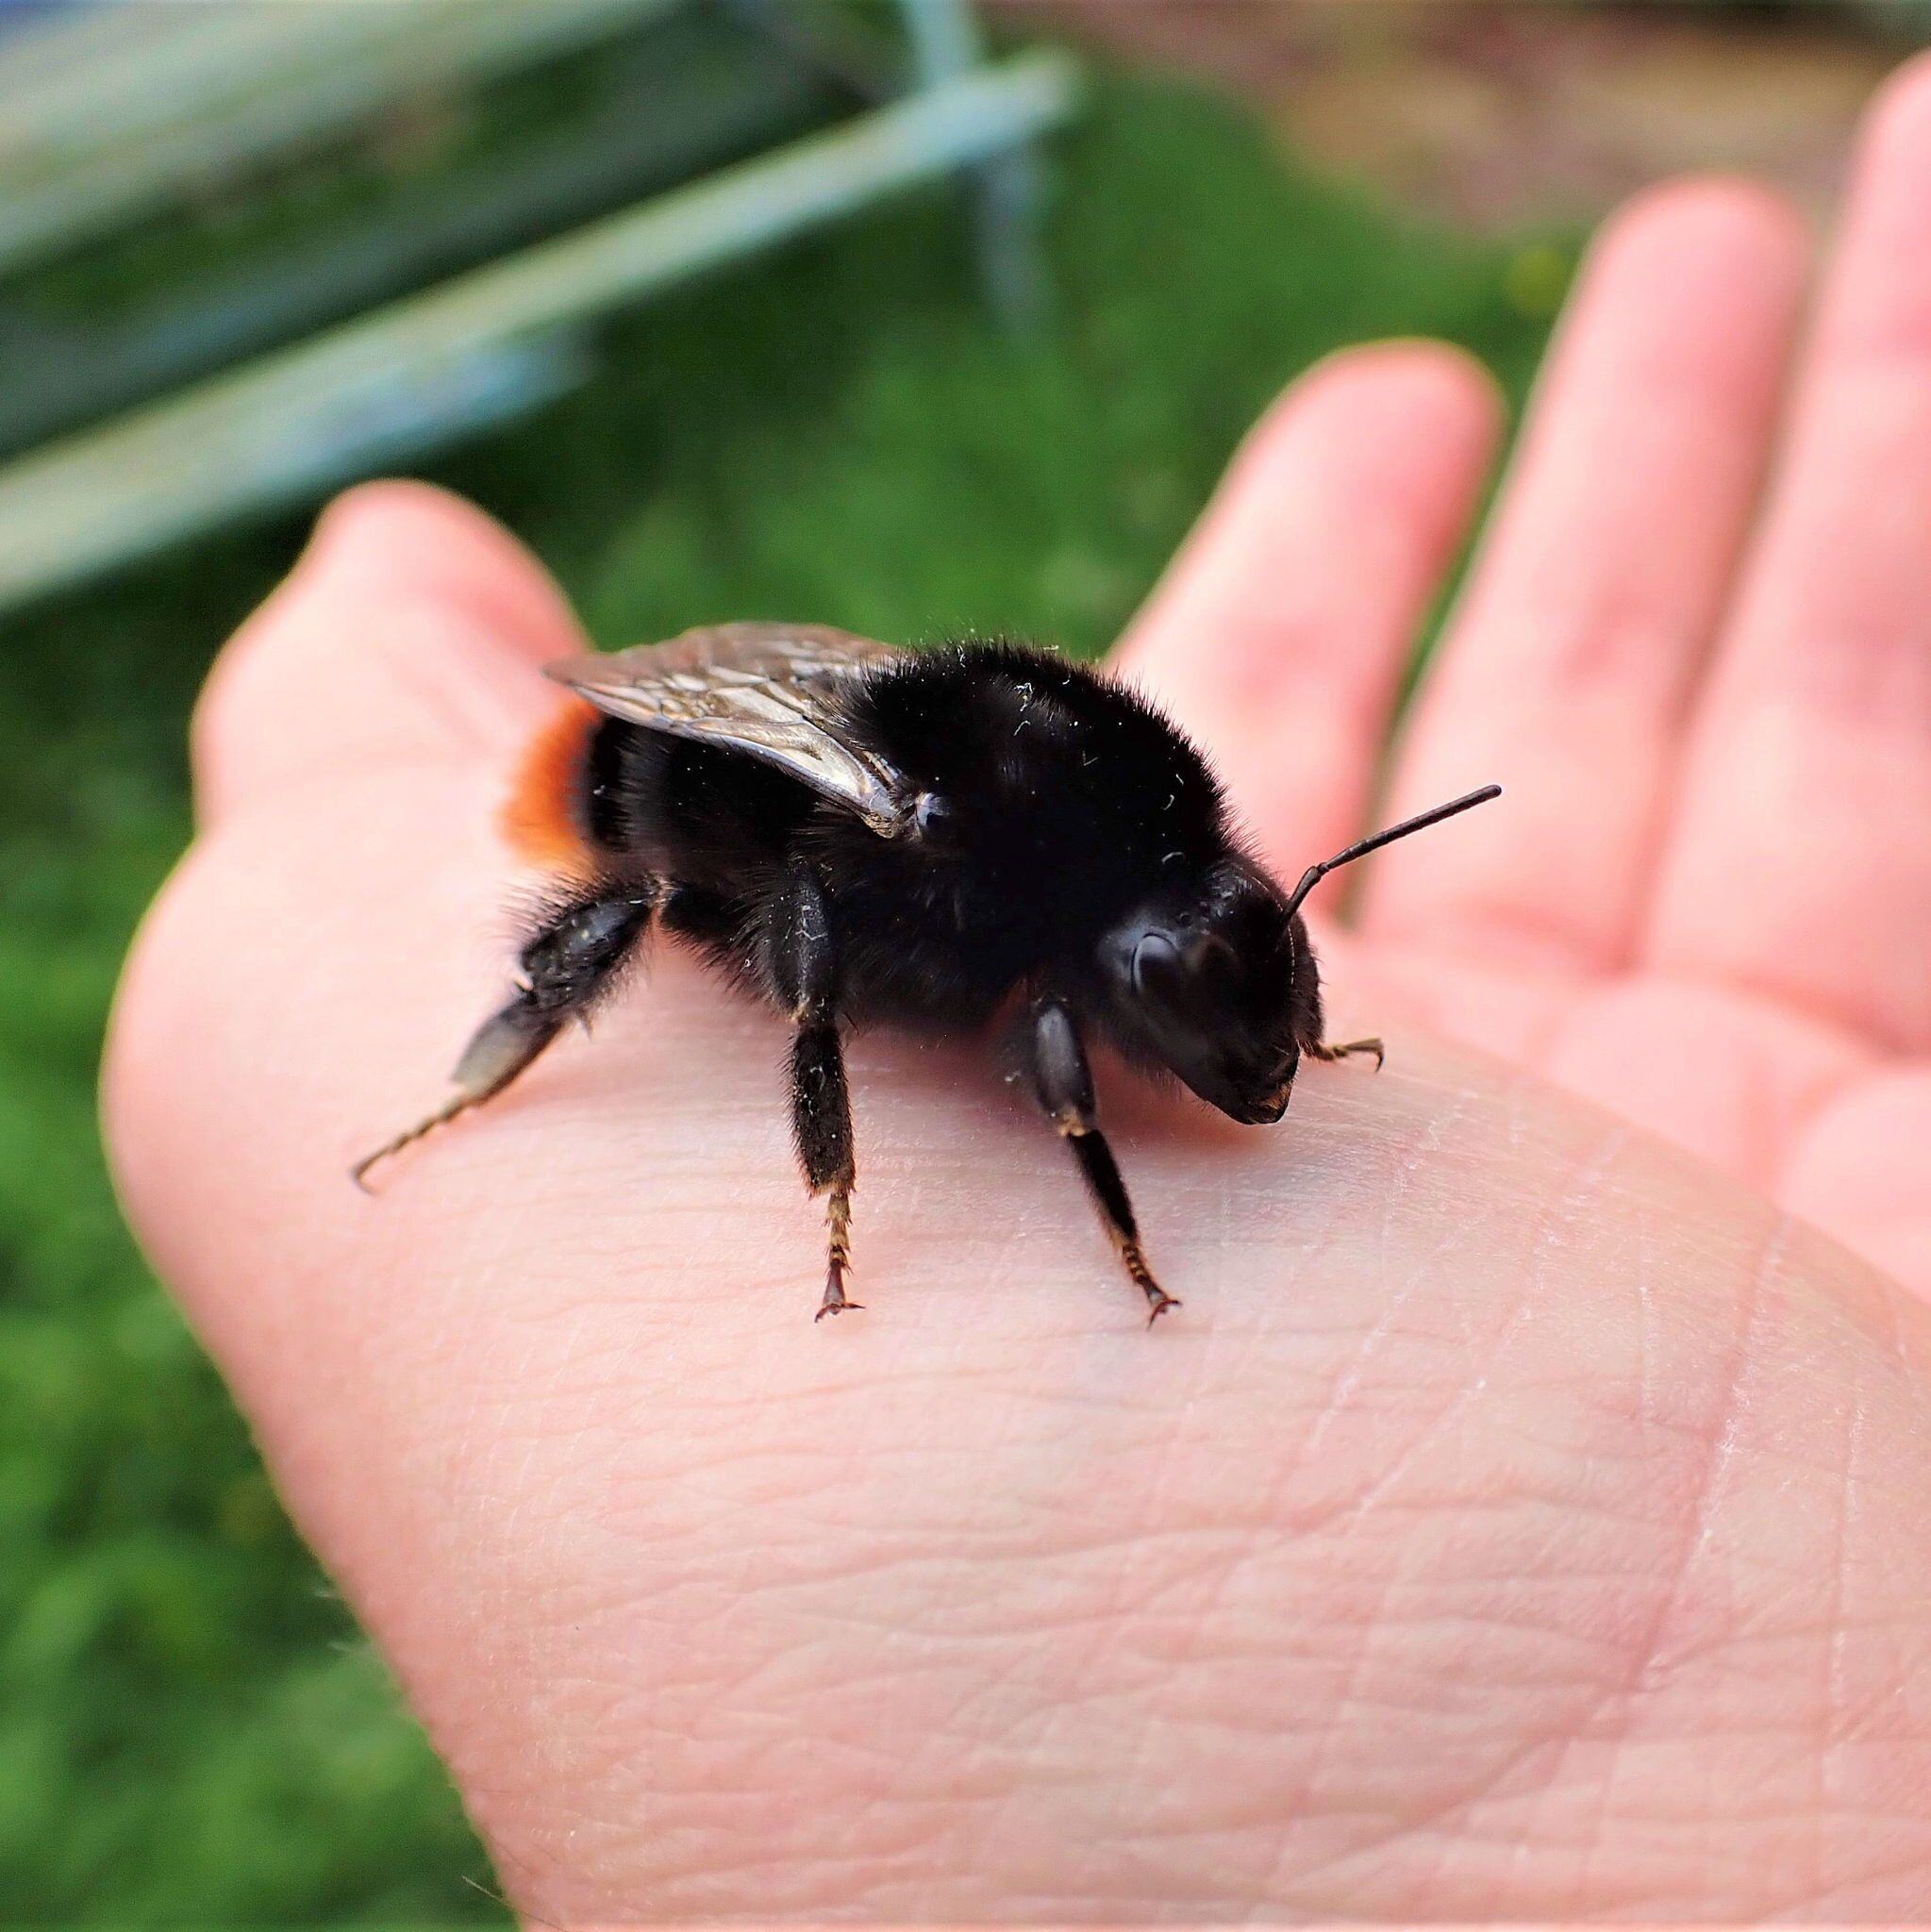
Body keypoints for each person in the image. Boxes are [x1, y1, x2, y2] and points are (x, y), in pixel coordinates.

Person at [104, 54, 1931, 1924]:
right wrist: (1098, 1254)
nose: (1222, 1028)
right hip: (684, 775)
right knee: (728, 930)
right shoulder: (1008, 908)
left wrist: (1291, 1023)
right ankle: (511, 1089)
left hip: (850, 746)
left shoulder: (1138, 853)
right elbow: (1000, 1003)